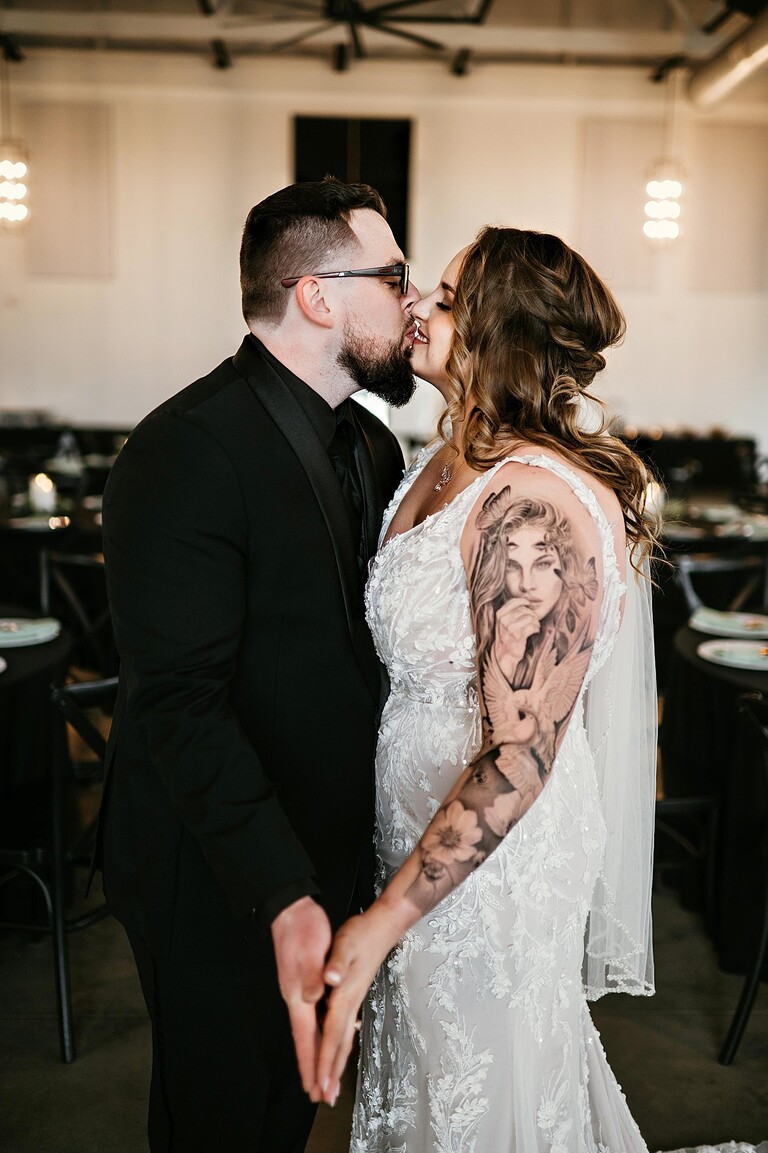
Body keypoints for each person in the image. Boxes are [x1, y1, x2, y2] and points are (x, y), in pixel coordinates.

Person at [308, 227, 660, 1151]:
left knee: (483, 1090)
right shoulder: (444, 460)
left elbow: (521, 752)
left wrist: (383, 919)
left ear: (502, 333)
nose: (417, 304)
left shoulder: (534, 506)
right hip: (413, 839)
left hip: (498, 865)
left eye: (449, 296)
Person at [96, 178, 420, 1152]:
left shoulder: (373, 443)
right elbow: (179, 704)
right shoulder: (183, 450)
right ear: (316, 296)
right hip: (217, 871)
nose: (411, 300)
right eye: (393, 276)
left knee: (287, 1115)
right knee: (220, 1122)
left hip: (331, 851)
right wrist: (282, 890)